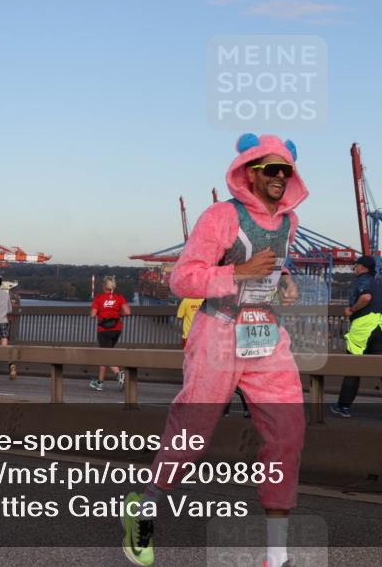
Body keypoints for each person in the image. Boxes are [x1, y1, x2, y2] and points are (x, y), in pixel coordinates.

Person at [121, 133, 307, 567]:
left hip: (265, 334)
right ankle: (143, 511)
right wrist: (237, 271)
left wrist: (283, 283)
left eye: (287, 170)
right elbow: (183, 280)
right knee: (192, 433)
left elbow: (271, 271)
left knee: (288, 436)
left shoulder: (289, 223)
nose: (281, 177)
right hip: (219, 332)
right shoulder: (223, 216)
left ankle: (276, 557)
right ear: (251, 172)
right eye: (271, 169)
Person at [329, 255, 382, 421]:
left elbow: (366, 297)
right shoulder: (379, 282)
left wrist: (352, 310)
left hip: (362, 330)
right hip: (379, 328)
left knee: (353, 368)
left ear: (363, 267)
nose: (354, 268)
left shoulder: (363, 280)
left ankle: (344, 406)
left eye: (356, 265)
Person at [90, 276, 131, 391]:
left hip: (104, 331)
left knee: (105, 355)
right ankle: (100, 382)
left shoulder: (99, 298)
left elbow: (93, 315)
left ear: (104, 286)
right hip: (116, 329)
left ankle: (119, 374)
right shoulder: (119, 298)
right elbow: (128, 312)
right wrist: (118, 314)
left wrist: (100, 312)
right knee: (106, 353)